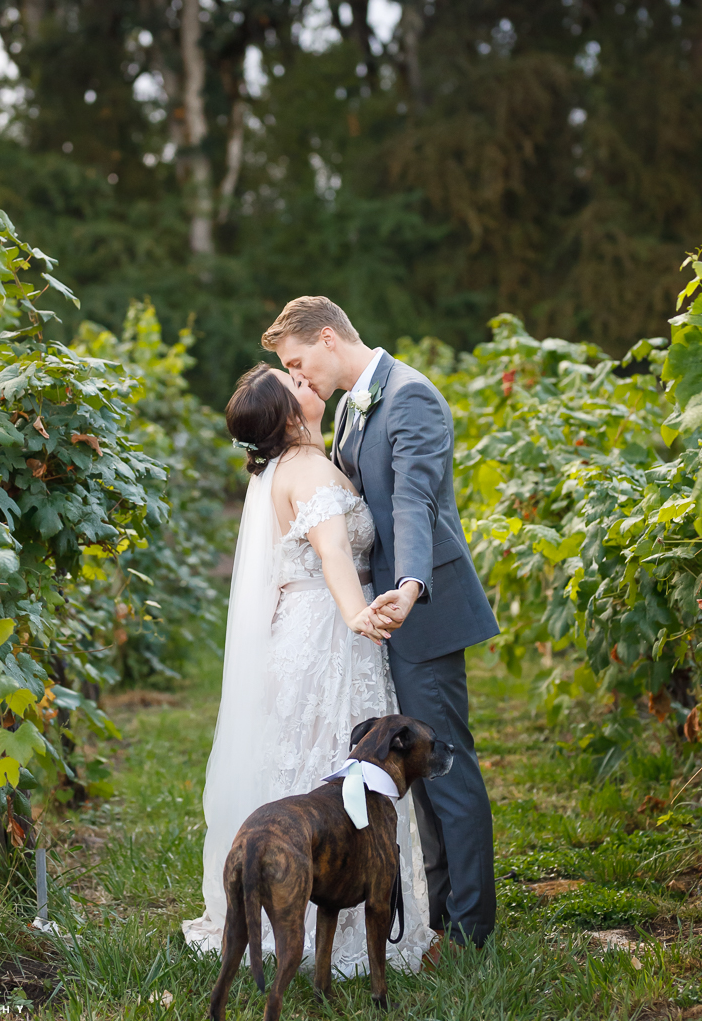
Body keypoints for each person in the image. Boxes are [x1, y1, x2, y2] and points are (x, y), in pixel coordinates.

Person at [182, 363, 436, 977]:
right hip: (326, 632)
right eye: (292, 381)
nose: (305, 379)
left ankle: (282, 896)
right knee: (336, 759)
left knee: (301, 754)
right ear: (289, 416)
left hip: (297, 630)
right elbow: (331, 554)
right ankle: (346, 918)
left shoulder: (284, 471)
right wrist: (356, 616)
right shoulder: (313, 472)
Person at [262, 297, 499, 953]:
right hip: (378, 620)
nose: (298, 377)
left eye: (298, 362)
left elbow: (415, 501)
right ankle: (439, 914)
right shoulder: (347, 407)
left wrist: (411, 585)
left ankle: (471, 930)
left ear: (331, 337)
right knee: (412, 771)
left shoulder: (412, 396)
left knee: (445, 766)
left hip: (419, 611)